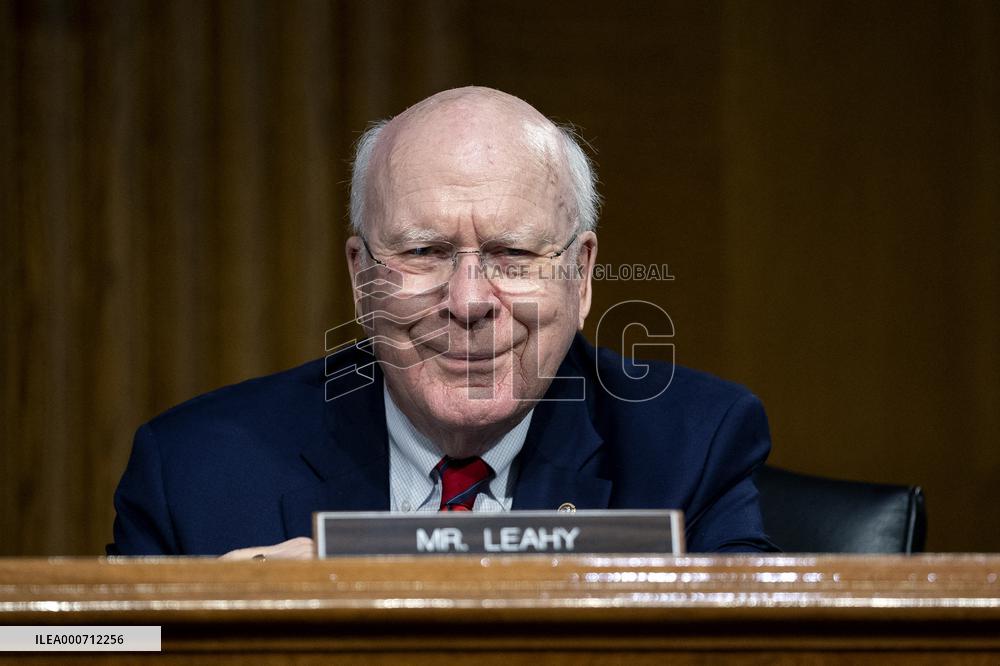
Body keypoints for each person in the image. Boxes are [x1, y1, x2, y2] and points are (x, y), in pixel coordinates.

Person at [109, 87, 776, 557]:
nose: (467, 300)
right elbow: (75, 640)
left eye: (513, 254)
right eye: (423, 252)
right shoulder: (195, 469)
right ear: (361, 277)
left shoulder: (693, 447)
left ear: (581, 275)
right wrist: (212, 627)